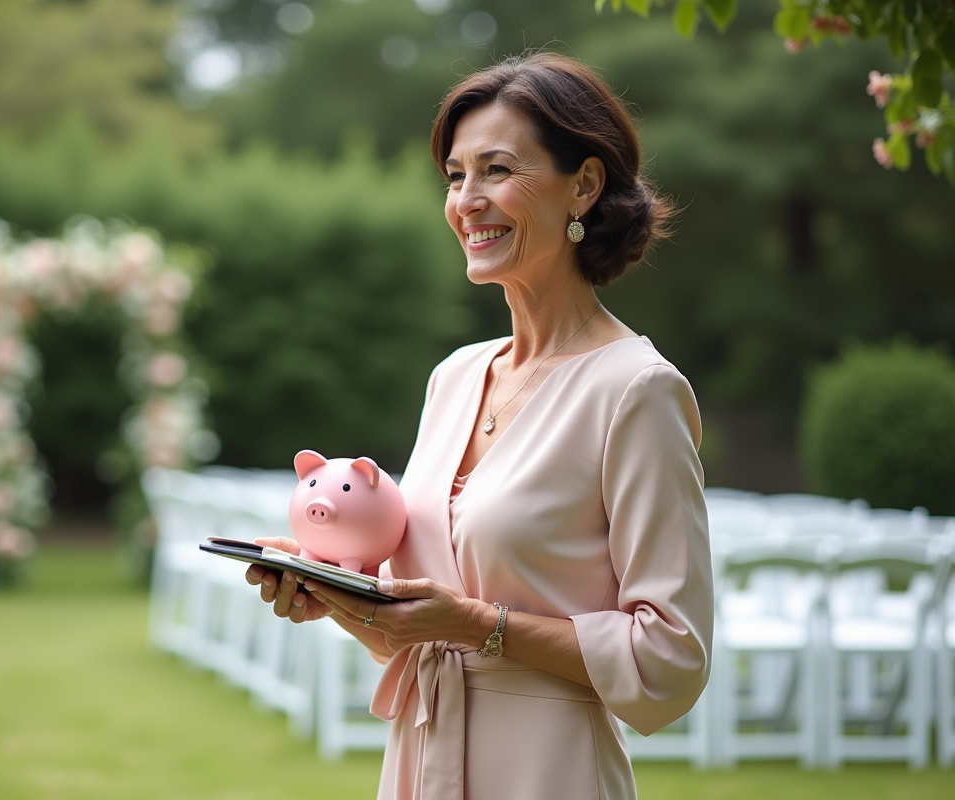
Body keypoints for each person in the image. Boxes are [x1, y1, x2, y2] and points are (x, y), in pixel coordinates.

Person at [246, 52, 712, 800]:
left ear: (584, 185)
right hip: (421, 757)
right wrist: (332, 592)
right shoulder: (455, 377)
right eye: (456, 176)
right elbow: (417, 626)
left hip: (549, 771)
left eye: (496, 170)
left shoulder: (638, 390)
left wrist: (475, 624)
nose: (468, 200)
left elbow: (671, 658)